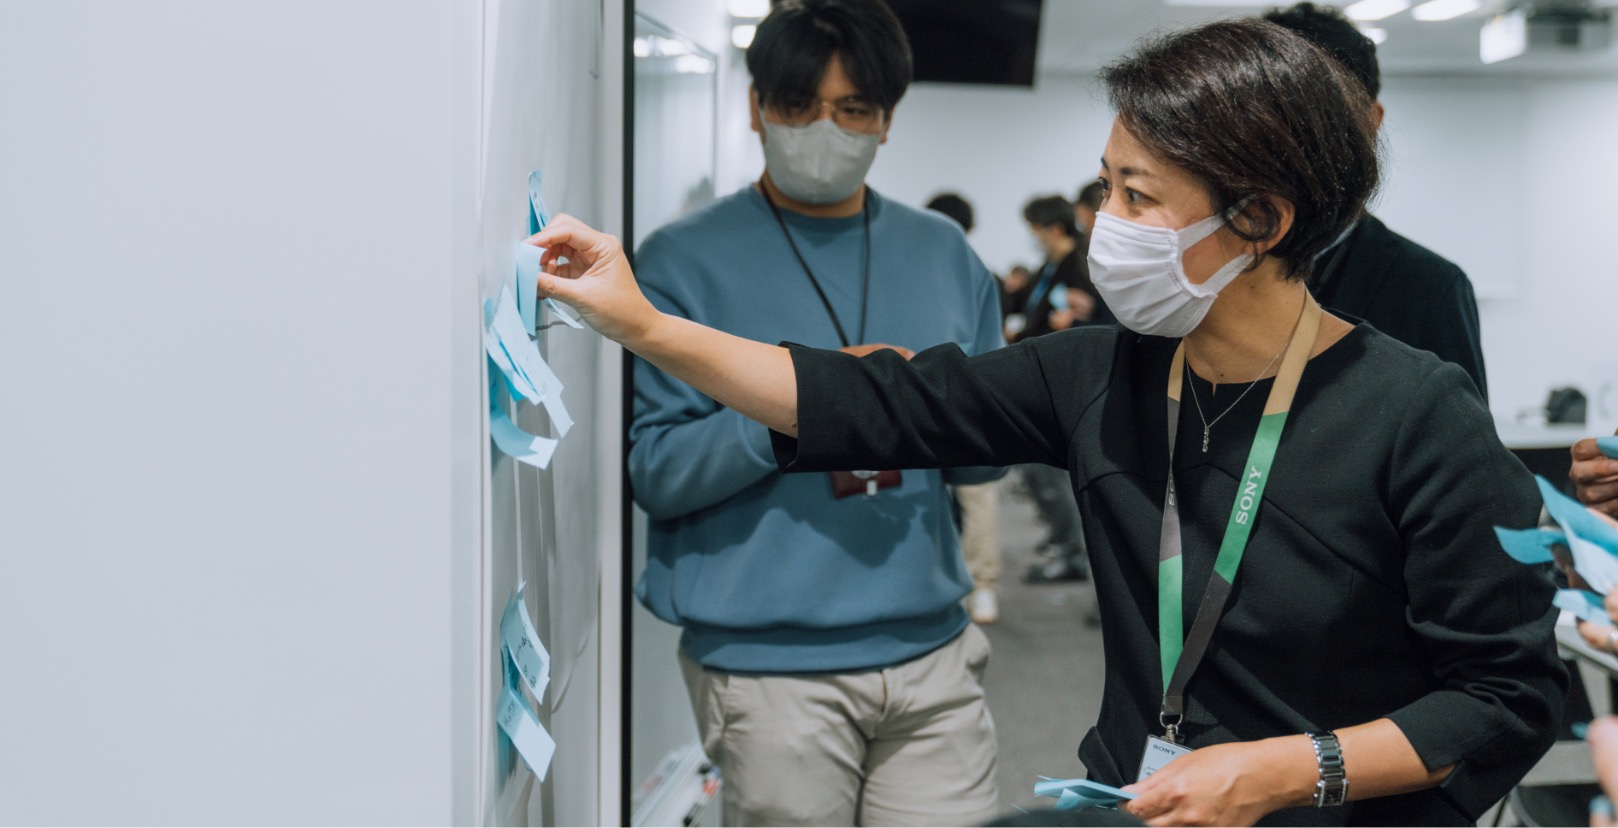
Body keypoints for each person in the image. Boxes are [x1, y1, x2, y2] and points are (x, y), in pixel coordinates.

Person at [532, 18, 1567, 826]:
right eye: (1104, 190)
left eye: (1137, 196)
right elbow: (871, 400)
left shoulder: (1415, 413)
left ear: (1257, 220)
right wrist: (644, 324)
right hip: (1140, 800)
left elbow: (1505, 695)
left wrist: (1282, 774)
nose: (1104, 228)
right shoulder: (1102, 374)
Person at [625, 1, 1005, 825]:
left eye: (853, 109)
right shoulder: (680, 262)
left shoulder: (943, 252)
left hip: (933, 652)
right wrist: (804, 405)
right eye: (799, 107)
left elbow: (985, 457)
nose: (826, 129)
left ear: (887, 120)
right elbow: (657, 472)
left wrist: (941, 408)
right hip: (768, 671)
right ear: (757, 106)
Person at [1262, 2, 1489, 401]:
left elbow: (1464, 453)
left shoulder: (1428, 288)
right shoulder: (1205, 264)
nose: (1291, 137)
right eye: (1269, 111)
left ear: (1370, 121)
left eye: (1317, 113)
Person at [926, 191, 1007, 624]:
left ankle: (980, 585)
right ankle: (980, 586)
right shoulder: (976, 271)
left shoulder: (970, 272)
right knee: (973, 500)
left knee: (974, 496)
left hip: (958, 403)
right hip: (957, 402)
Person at [1018, 195, 1107, 583]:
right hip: (1039, 377)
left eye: (1035, 230)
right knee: (1041, 475)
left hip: (1062, 384)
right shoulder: (1050, 266)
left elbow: (1093, 326)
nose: (1033, 237)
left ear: (1053, 228)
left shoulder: (1079, 265)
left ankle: (1071, 553)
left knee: (1052, 476)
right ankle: (1065, 545)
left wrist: (1067, 324)